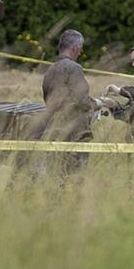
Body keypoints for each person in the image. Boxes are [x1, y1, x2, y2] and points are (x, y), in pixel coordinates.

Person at [29, 29, 95, 171]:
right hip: (75, 133)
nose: (80, 52)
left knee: (57, 173)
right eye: (80, 49)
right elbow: (82, 100)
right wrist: (98, 103)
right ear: (75, 48)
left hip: (54, 131)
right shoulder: (74, 68)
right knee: (76, 176)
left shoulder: (50, 71)